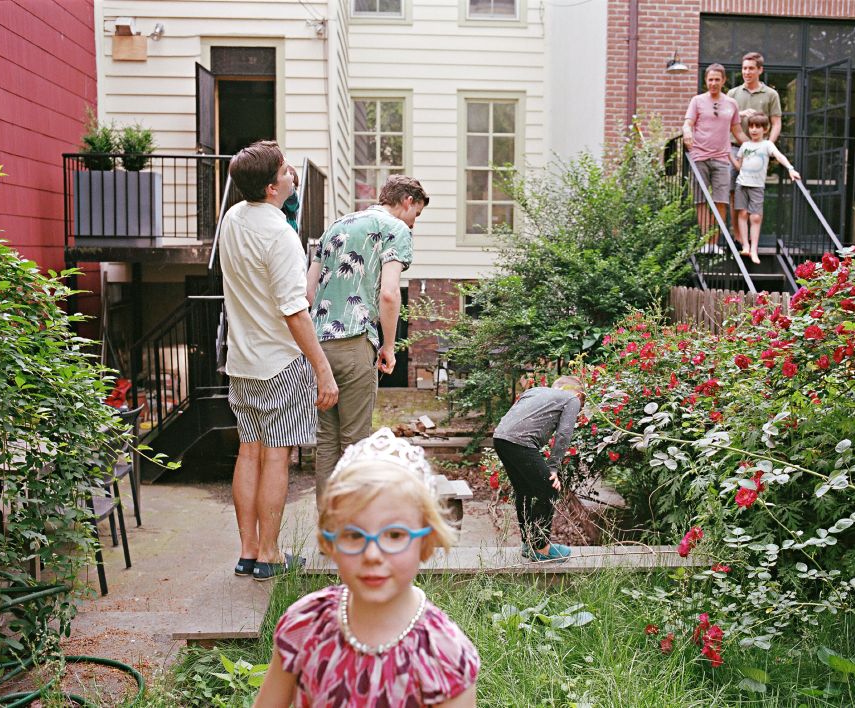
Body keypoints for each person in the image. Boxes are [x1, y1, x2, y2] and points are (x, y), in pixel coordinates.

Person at [253, 428, 480, 707]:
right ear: (331, 542)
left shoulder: (444, 655)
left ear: (426, 541)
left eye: (395, 535)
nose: (372, 554)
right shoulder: (304, 626)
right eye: (354, 535)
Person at [220, 140, 338, 581]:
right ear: (272, 187)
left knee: (247, 453)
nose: (293, 175)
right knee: (275, 457)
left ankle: (248, 550)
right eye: (287, 170)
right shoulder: (280, 235)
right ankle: (269, 554)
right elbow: (295, 311)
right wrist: (322, 369)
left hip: (241, 361)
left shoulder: (233, 220)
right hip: (279, 364)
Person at [307, 175, 428, 501]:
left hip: (318, 345)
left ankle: (329, 533)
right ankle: (352, 534)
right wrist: (389, 346)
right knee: (355, 444)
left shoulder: (336, 225)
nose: (414, 224)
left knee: (327, 442)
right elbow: (389, 294)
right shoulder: (396, 229)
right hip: (355, 339)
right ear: (407, 201)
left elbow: (307, 292)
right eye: (416, 214)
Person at [492, 376, 585, 563]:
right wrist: (552, 468)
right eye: (581, 405)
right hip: (521, 441)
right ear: (578, 393)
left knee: (524, 491)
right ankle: (541, 547)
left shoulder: (535, 391)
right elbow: (564, 433)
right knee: (549, 489)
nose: (579, 409)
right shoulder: (572, 398)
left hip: (500, 438)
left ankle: (529, 544)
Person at [683, 63, 747, 252]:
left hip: (722, 159)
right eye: (710, 79)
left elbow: (737, 131)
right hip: (699, 156)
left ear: (723, 81)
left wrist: (753, 147)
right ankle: (704, 244)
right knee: (701, 201)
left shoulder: (731, 103)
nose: (713, 83)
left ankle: (713, 243)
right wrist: (687, 131)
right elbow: (688, 123)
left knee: (721, 201)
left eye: (717, 79)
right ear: (706, 81)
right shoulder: (697, 101)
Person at [730, 112, 800, 264]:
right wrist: (728, 155)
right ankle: (745, 246)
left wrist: (790, 168)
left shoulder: (767, 145)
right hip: (741, 184)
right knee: (741, 214)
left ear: (765, 129)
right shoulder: (745, 146)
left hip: (757, 186)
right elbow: (739, 166)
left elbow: (779, 156)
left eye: (758, 127)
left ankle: (754, 249)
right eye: (751, 127)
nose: (754, 130)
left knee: (755, 217)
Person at [728, 52, 783, 240]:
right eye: (744, 68)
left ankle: (754, 239)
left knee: (755, 195)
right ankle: (738, 238)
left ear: (760, 70)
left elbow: (776, 123)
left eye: (751, 68)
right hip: (736, 149)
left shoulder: (770, 94)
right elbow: (726, 121)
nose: (747, 72)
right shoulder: (733, 94)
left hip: (758, 153)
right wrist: (741, 113)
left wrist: (769, 146)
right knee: (734, 194)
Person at [281, 164, 300, 233]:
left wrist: (291, 188)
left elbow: (293, 206)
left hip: (290, 229)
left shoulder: (292, 198)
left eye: (295, 188)